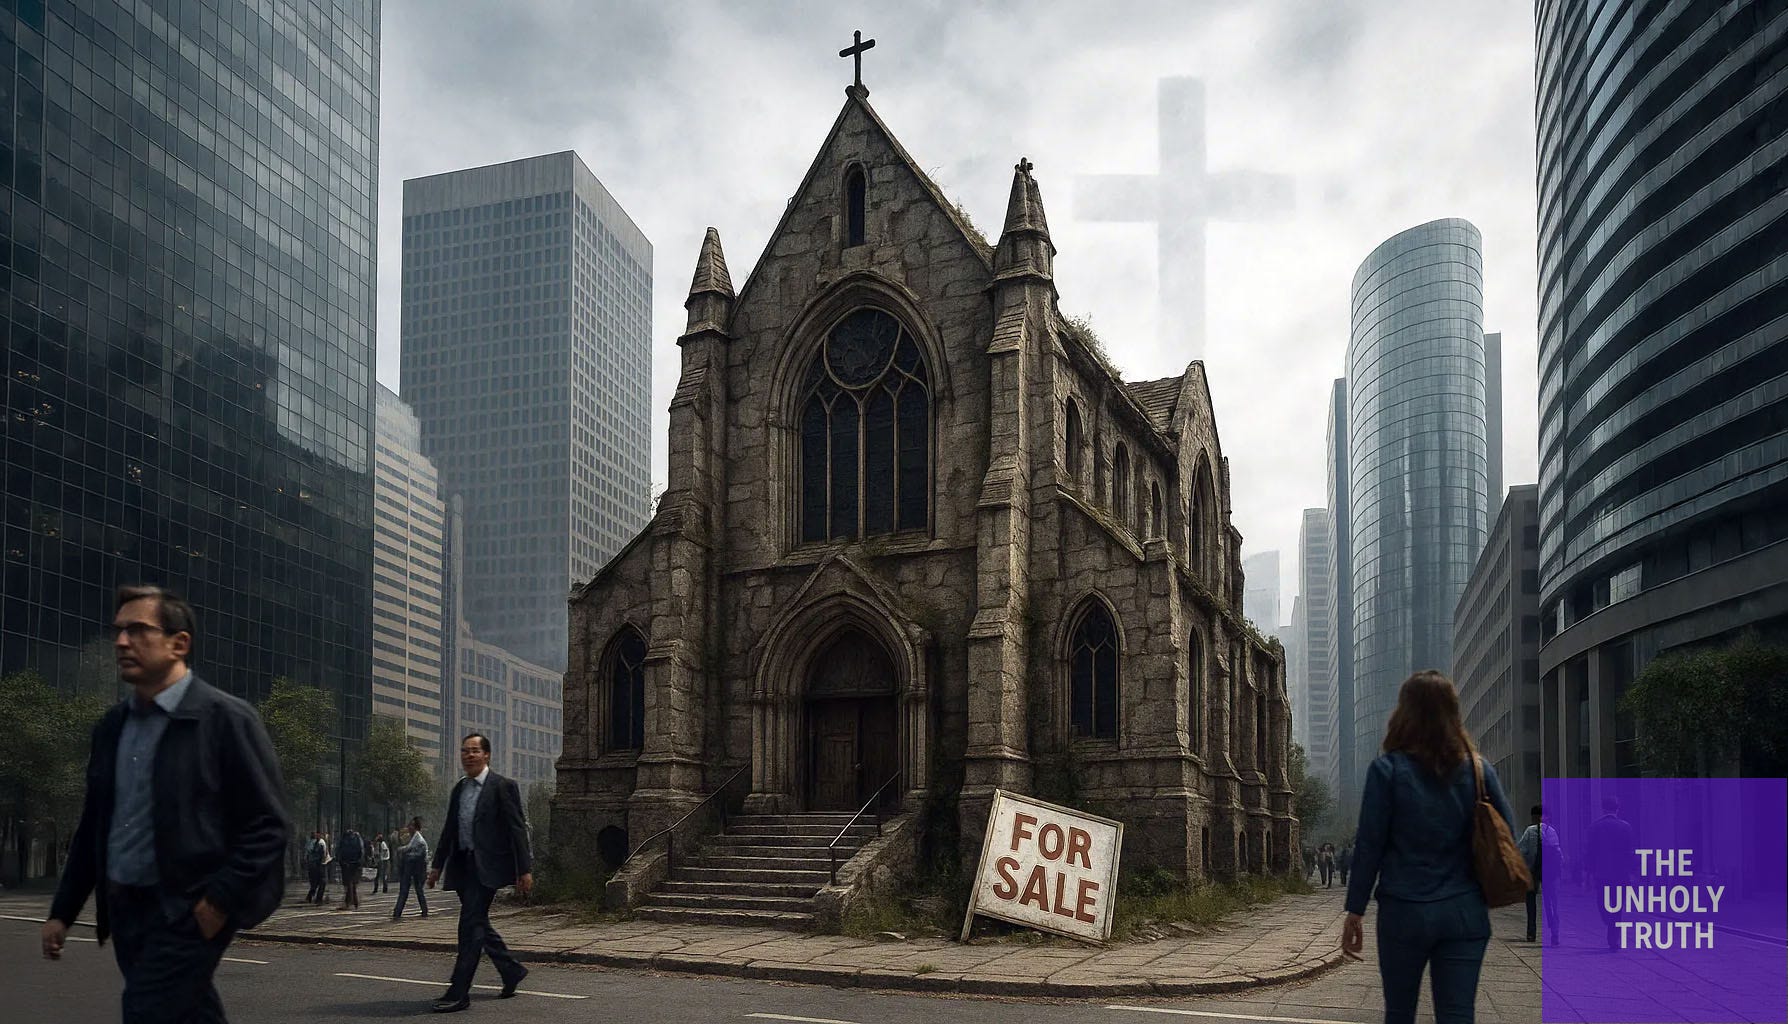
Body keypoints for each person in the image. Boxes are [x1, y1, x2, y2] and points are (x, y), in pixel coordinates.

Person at [40, 585, 289, 1022]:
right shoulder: (112, 727)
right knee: (189, 1013)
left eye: (137, 630)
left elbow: (268, 824)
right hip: (126, 908)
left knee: (146, 1010)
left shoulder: (224, 719)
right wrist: (63, 911)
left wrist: (217, 903)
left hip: (186, 909)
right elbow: (97, 825)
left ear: (179, 644)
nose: (121, 642)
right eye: (118, 631)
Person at [1341, 670, 1516, 1024]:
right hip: (1464, 914)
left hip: (1404, 913)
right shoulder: (1480, 771)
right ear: (1454, 713)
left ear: (1402, 714)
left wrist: (1354, 910)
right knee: (1457, 1015)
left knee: (1400, 1013)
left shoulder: (1386, 771)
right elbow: (1507, 836)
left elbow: (1369, 846)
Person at [426, 733, 533, 1012]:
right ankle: (511, 971)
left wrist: (525, 869)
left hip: (488, 867)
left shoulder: (502, 786)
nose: (468, 755)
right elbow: (449, 830)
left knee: (469, 927)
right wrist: (437, 865)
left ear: (487, 755)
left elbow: (517, 829)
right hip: (463, 866)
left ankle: (459, 992)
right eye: (465, 751)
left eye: (474, 751)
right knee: (478, 924)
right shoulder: (460, 789)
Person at [1587, 796, 1635, 949]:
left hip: (1602, 874)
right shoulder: (1626, 826)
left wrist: (1589, 872)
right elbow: (1630, 851)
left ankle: (1608, 920)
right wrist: (1633, 871)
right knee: (1618, 906)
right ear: (1617, 808)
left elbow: (1590, 852)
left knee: (1602, 902)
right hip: (1621, 874)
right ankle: (1614, 938)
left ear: (1603, 808)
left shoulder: (1595, 826)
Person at [1517, 804, 1562, 945]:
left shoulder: (1530, 831)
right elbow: (1558, 854)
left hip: (1533, 872)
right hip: (1550, 873)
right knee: (1551, 902)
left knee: (1531, 902)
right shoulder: (1552, 831)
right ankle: (1554, 932)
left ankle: (1531, 933)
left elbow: (1521, 851)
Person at [393, 818, 430, 920]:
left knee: (411, 889)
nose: (409, 827)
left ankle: (398, 911)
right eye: (409, 825)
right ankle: (398, 911)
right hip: (414, 867)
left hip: (416, 868)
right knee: (412, 890)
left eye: (412, 825)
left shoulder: (418, 838)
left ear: (416, 827)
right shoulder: (413, 837)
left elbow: (408, 848)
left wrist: (400, 850)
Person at [338, 827, 364, 910]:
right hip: (355, 863)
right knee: (352, 884)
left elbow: (339, 850)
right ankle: (353, 901)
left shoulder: (344, 838)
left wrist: (341, 861)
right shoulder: (357, 838)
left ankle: (350, 902)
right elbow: (361, 851)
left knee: (349, 883)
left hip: (347, 863)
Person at [303, 832, 327, 904]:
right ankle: (318, 899)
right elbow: (324, 854)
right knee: (322, 882)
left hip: (311, 865)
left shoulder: (308, 843)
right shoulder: (321, 842)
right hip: (319, 865)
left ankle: (309, 896)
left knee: (314, 882)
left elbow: (306, 855)